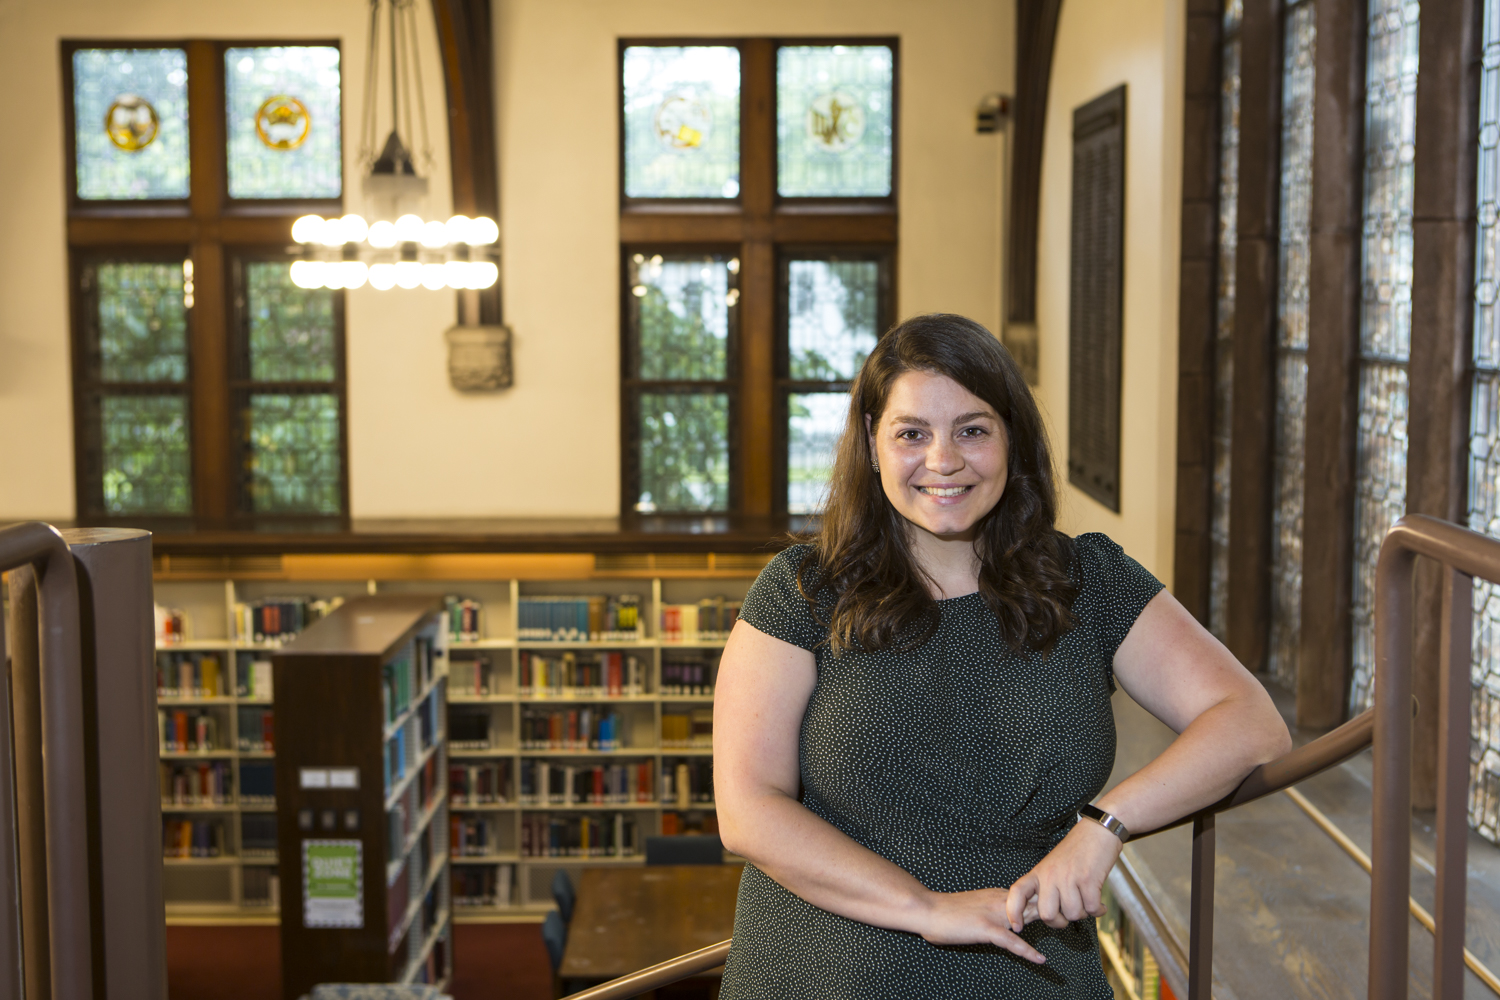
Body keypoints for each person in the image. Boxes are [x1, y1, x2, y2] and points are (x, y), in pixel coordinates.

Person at [713, 314, 1291, 998]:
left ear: (1011, 437)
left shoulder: (1089, 582)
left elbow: (1252, 723)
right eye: (911, 434)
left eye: (972, 429)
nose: (943, 459)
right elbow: (748, 809)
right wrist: (925, 908)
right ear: (871, 443)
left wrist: (1104, 825)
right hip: (826, 974)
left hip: (1031, 975)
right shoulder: (802, 591)